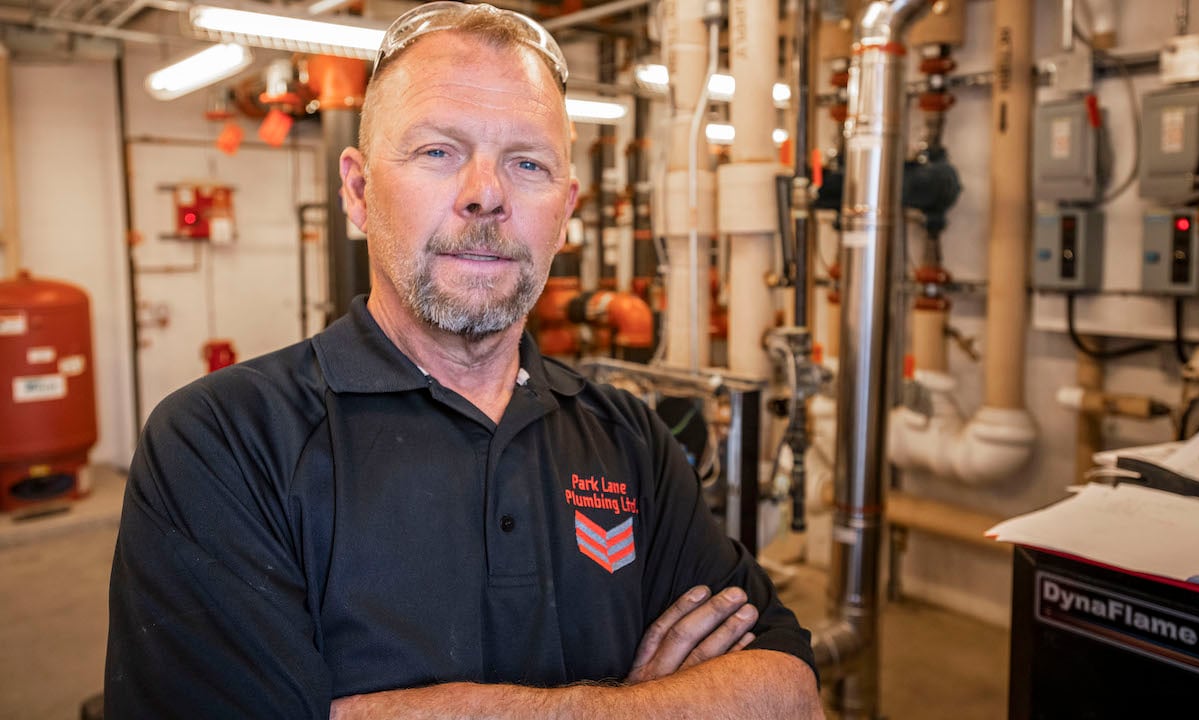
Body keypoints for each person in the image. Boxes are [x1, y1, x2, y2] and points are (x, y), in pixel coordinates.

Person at [104, 3, 821, 718]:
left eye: (527, 162)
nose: (485, 194)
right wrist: (652, 703)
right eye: (438, 151)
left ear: (565, 212)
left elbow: (790, 693)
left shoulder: (631, 443)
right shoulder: (224, 443)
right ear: (358, 192)